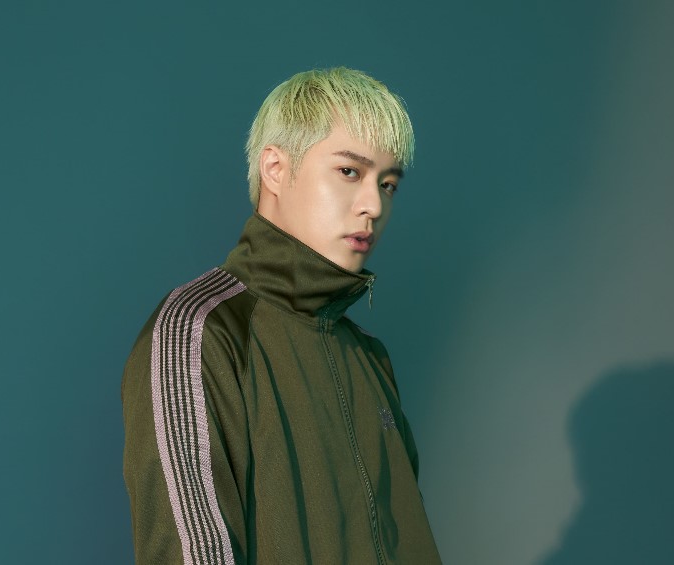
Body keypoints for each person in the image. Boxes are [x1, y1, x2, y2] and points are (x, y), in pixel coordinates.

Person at [122, 67, 441, 564]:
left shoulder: (369, 357)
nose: (373, 205)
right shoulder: (199, 330)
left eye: (388, 184)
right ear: (275, 169)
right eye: (350, 172)